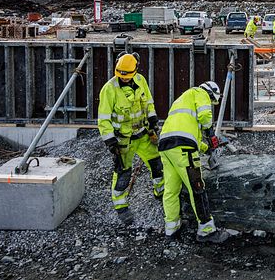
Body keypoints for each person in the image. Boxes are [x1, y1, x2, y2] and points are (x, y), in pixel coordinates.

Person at [158, 81, 230, 243]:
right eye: (212, 101)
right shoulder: (199, 93)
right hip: (183, 147)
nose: (211, 104)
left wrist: (208, 149)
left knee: (171, 190)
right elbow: (205, 116)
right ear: (211, 94)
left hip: (166, 145)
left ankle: (172, 229)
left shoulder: (182, 102)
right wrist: (211, 135)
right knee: (196, 187)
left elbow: (194, 138)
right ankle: (206, 230)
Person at [98, 53, 164, 225]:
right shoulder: (109, 89)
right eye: (122, 76)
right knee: (123, 173)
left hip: (143, 134)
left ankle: (161, 192)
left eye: (128, 76)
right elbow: (103, 119)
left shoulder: (141, 80)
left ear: (135, 71)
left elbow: (148, 102)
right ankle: (120, 206)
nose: (125, 79)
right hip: (123, 140)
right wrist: (110, 141)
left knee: (157, 164)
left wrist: (153, 120)